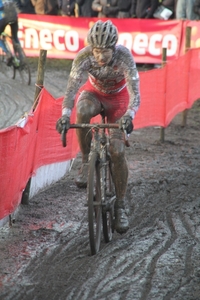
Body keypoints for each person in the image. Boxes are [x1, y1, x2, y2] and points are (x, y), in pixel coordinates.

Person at [56, 20, 140, 234]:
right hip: (94, 94)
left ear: (114, 48)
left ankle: (120, 206)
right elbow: (71, 89)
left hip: (119, 100)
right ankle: (85, 163)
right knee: (82, 110)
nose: (100, 57)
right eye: (96, 51)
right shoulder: (84, 57)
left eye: (105, 52)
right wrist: (65, 116)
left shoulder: (124, 57)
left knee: (117, 151)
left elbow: (135, 94)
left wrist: (129, 116)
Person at [0, 0, 23, 65]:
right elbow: (19, 4)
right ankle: (21, 56)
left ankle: (8, 53)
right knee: (15, 36)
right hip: (13, 15)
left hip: (3, 17)